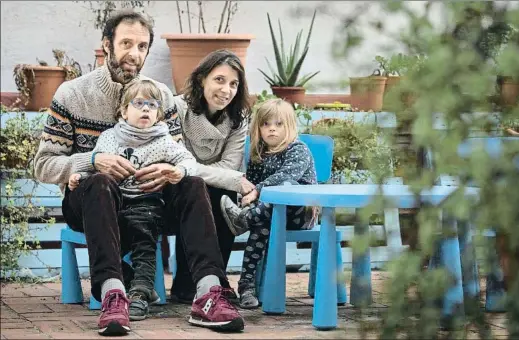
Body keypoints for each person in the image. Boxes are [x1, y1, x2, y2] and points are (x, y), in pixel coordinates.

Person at [33, 10, 244, 336]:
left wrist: (171, 170)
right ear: (106, 45)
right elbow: (44, 165)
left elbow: (178, 154)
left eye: (142, 46)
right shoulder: (72, 95)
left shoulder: (161, 97)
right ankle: (113, 295)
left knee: (191, 183)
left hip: (151, 205)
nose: (135, 53)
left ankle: (209, 292)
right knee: (101, 182)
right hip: (93, 205)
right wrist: (93, 161)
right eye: (126, 43)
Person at [67, 79, 197, 321]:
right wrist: (78, 176)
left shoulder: (163, 141)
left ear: (159, 114)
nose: (146, 109)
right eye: (138, 103)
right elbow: (97, 169)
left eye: (152, 104)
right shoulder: (110, 138)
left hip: (147, 204)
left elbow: (188, 160)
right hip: (113, 206)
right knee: (111, 235)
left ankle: (139, 295)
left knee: (145, 244)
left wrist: (179, 171)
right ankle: (137, 286)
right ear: (124, 111)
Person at [171, 49, 256, 303]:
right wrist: (230, 179)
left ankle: (214, 279)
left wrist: (227, 179)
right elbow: (176, 163)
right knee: (196, 187)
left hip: (212, 189)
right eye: (219, 80)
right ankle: (188, 284)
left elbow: (230, 167)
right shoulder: (176, 109)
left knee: (223, 193)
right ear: (201, 79)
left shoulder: (237, 119)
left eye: (233, 84)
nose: (226, 90)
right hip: (174, 190)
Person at [220, 98, 317, 309]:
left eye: (278, 124)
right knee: (259, 229)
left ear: (289, 126)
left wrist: (256, 191)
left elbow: (284, 176)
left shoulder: (298, 149)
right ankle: (246, 286)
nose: (272, 129)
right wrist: (249, 195)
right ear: (258, 127)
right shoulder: (258, 155)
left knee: (286, 187)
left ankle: (242, 219)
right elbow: (250, 185)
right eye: (266, 124)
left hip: (299, 215)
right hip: (267, 216)